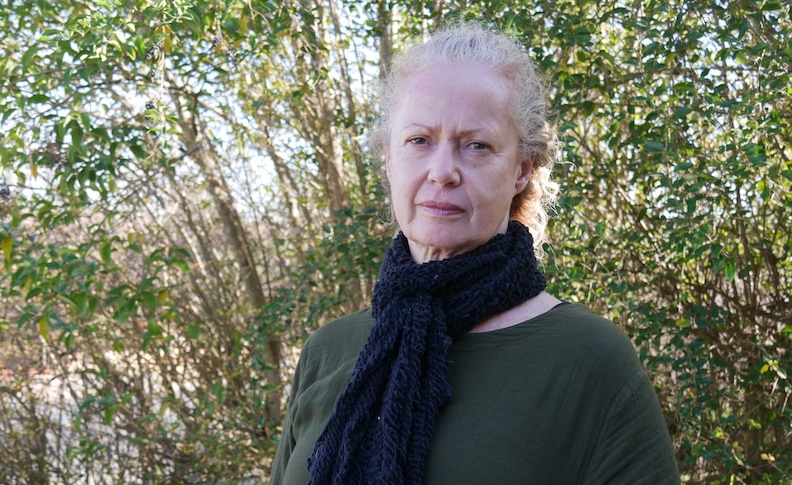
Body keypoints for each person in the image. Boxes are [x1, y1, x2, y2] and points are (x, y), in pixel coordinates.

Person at [270, 22, 679, 485]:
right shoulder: (328, 350)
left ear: (522, 169)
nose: (442, 171)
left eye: (477, 146)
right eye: (419, 140)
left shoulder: (590, 362)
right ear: (388, 158)